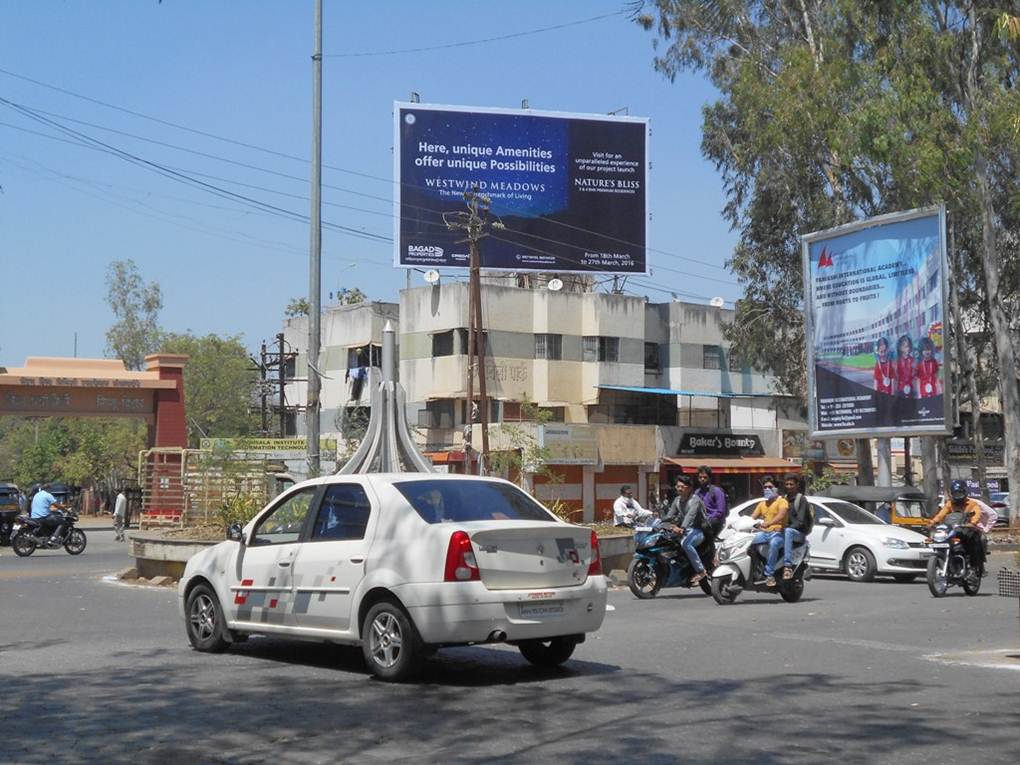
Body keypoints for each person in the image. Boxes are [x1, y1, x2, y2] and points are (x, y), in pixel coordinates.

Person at [929, 479, 985, 576]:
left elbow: (977, 514)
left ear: (965, 492)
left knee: (975, 540)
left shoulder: (972, 504)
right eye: (955, 493)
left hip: (967, 529)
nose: (958, 495)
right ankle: (947, 562)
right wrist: (933, 522)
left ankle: (974, 566)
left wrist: (972, 523)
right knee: (939, 539)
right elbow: (941, 515)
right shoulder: (949, 504)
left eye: (960, 493)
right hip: (953, 530)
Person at [663, 475, 709, 586]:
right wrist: (660, 521)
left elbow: (690, 516)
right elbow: (670, 515)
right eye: (677, 486)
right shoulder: (677, 500)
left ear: (689, 488)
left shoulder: (695, 500)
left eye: (682, 487)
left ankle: (701, 570)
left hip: (700, 529)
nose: (679, 489)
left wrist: (682, 528)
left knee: (686, 544)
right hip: (686, 529)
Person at [749, 475, 789, 587]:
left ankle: (769, 574)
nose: (767, 489)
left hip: (778, 533)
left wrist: (769, 523)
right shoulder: (762, 504)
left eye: (770, 487)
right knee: (747, 541)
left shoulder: (782, 502)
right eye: (765, 487)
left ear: (776, 488)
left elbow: (781, 515)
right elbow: (751, 518)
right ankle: (755, 568)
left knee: (774, 544)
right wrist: (737, 524)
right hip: (764, 533)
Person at [781, 474, 813, 581]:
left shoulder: (801, 499)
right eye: (787, 484)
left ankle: (787, 566)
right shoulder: (783, 499)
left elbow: (801, 521)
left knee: (788, 531)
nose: (789, 486)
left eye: (791, 484)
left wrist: (786, 528)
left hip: (798, 533)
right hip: (785, 531)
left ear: (797, 485)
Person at [695, 466, 728, 539]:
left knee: (705, 527)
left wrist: (709, 519)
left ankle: (711, 548)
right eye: (700, 477)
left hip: (716, 521)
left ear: (709, 478)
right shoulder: (697, 492)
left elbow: (720, 512)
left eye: (705, 477)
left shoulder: (716, 491)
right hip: (702, 521)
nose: (702, 479)